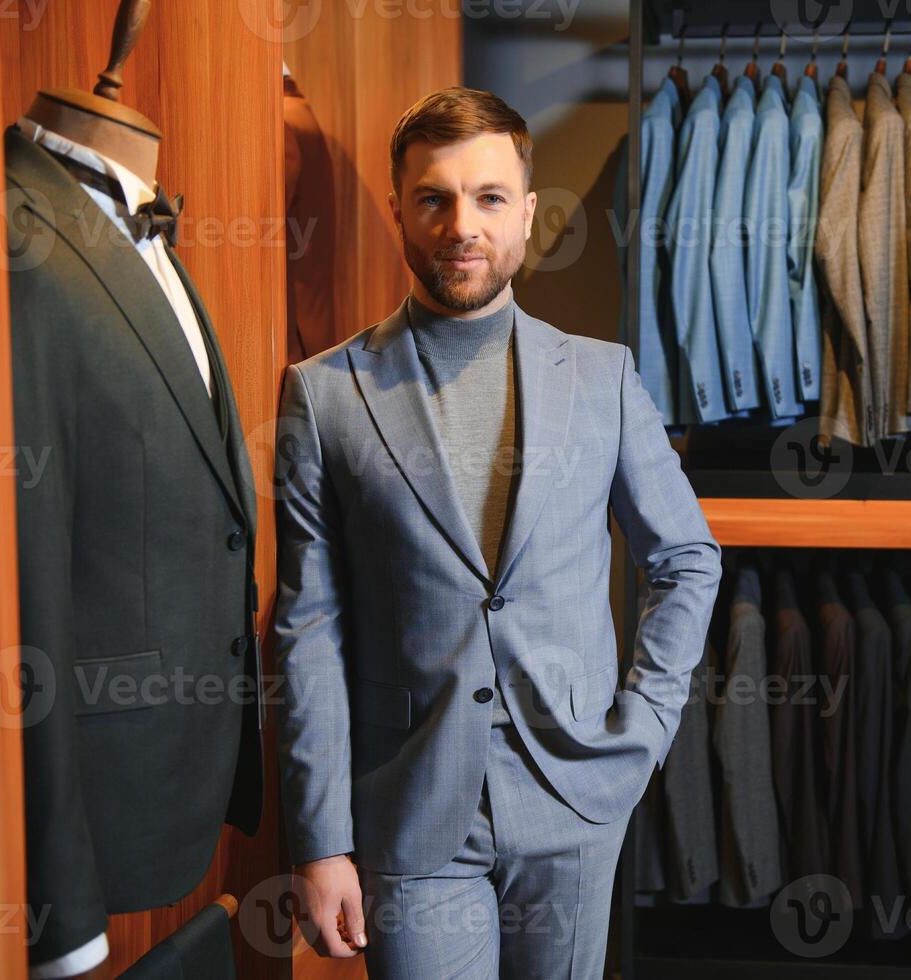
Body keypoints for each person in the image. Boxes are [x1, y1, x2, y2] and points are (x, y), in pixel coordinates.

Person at [272, 85, 722, 979]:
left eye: (487, 198)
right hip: (409, 811)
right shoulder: (323, 394)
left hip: (574, 798)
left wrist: (644, 731)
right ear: (400, 207)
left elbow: (685, 559)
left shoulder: (601, 377)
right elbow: (307, 630)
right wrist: (319, 840)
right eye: (433, 197)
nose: (460, 225)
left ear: (525, 210)